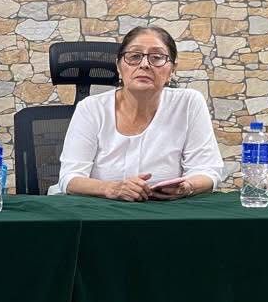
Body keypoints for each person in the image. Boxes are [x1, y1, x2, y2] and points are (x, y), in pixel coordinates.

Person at [57, 25, 223, 201]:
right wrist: (112, 189)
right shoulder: (91, 108)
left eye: (157, 57)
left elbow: (208, 171)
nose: (144, 65)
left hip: (164, 210)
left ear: (172, 70)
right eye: (134, 56)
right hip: (99, 209)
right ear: (119, 66)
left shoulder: (188, 103)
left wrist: (187, 187)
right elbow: (70, 178)